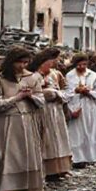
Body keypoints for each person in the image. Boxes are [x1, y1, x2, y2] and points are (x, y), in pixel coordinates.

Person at [0, 47, 45, 191]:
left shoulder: (32, 78)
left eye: (26, 62)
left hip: (26, 120)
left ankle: (26, 187)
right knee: (7, 156)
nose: (22, 66)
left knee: (26, 154)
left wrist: (31, 96)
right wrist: (17, 97)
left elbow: (41, 100)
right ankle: (5, 190)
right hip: (6, 121)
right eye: (19, 62)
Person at [28, 48, 72, 179]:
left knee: (58, 137)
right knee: (46, 138)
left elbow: (66, 90)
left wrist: (60, 95)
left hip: (56, 109)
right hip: (43, 109)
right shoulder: (34, 75)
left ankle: (61, 167)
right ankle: (47, 169)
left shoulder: (56, 74)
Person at [65, 54, 96, 168]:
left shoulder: (93, 76)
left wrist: (89, 92)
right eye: (79, 65)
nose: (82, 67)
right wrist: (76, 91)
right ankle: (77, 157)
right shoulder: (69, 76)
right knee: (76, 132)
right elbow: (66, 93)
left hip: (89, 107)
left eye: (84, 64)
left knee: (90, 130)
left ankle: (90, 156)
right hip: (75, 106)